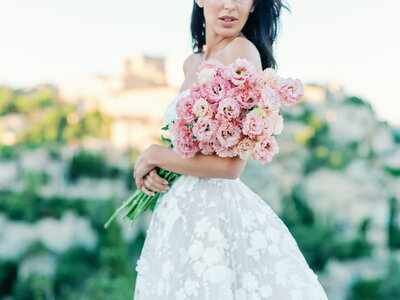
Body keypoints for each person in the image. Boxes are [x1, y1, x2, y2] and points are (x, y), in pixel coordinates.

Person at [132, 0, 329, 299]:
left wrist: (154, 154)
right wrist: (156, 171)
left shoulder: (241, 52)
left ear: (253, 6)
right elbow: (187, 148)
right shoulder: (191, 62)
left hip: (212, 217)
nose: (229, 6)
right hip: (175, 214)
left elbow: (230, 167)